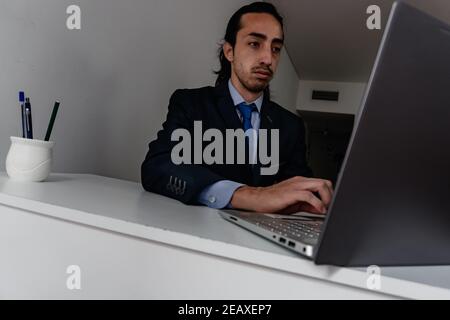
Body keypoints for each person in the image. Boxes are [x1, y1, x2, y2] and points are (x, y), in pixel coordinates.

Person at [141, 2, 333, 214]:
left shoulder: (291, 126)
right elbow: (157, 166)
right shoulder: (191, 104)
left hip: (261, 240)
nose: (268, 59)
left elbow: (295, 187)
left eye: (276, 49)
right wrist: (246, 195)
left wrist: (309, 201)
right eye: (254, 44)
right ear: (229, 51)